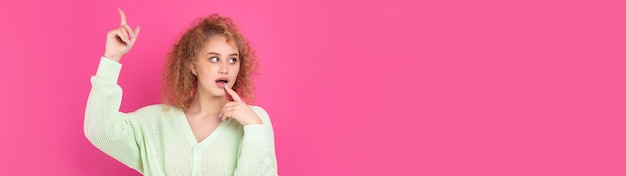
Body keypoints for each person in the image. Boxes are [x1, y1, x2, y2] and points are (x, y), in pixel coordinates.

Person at [84, 8, 278, 175]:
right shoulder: (156, 122)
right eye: (214, 59)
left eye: (233, 60)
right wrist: (111, 58)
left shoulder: (254, 121)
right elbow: (100, 130)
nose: (225, 69)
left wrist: (253, 128)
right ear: (194, 66)